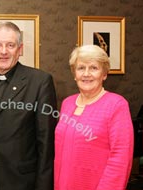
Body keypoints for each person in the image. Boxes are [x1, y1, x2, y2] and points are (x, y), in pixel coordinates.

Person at [0, 22, 57, 190]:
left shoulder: (40, 82)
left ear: (20, 49)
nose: (3, 51)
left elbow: (46, 143)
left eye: (10, 45)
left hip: (22, 183)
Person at [54, 44, 134, 190]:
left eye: (94, 68)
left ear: (104, 74)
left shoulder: (117, 105)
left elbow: (121, 159)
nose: (86, 74)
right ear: (74, 74)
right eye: (81, 68)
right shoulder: (67, 103)